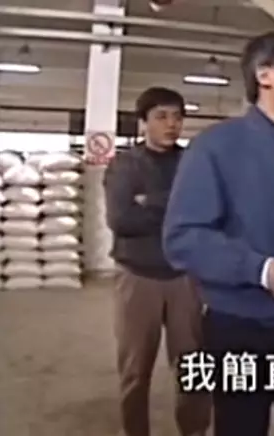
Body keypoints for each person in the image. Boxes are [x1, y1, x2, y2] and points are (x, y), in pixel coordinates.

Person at [162, 31, 274, 436]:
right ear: (265, 75)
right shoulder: (216, 147)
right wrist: (261, 270)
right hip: (242, 326)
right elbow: (183, 238)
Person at [104, 87, 211, 436]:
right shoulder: (125, 165)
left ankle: (194, 430)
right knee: (135, 369)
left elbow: (206, 212)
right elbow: (121, 219)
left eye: (177, 117)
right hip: (138, 278)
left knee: (194, 366)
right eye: (161, 116)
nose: (171, 124)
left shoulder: (192, 162)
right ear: (143, 122)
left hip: (185, 278)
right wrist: (176, 206)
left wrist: (150, 200)